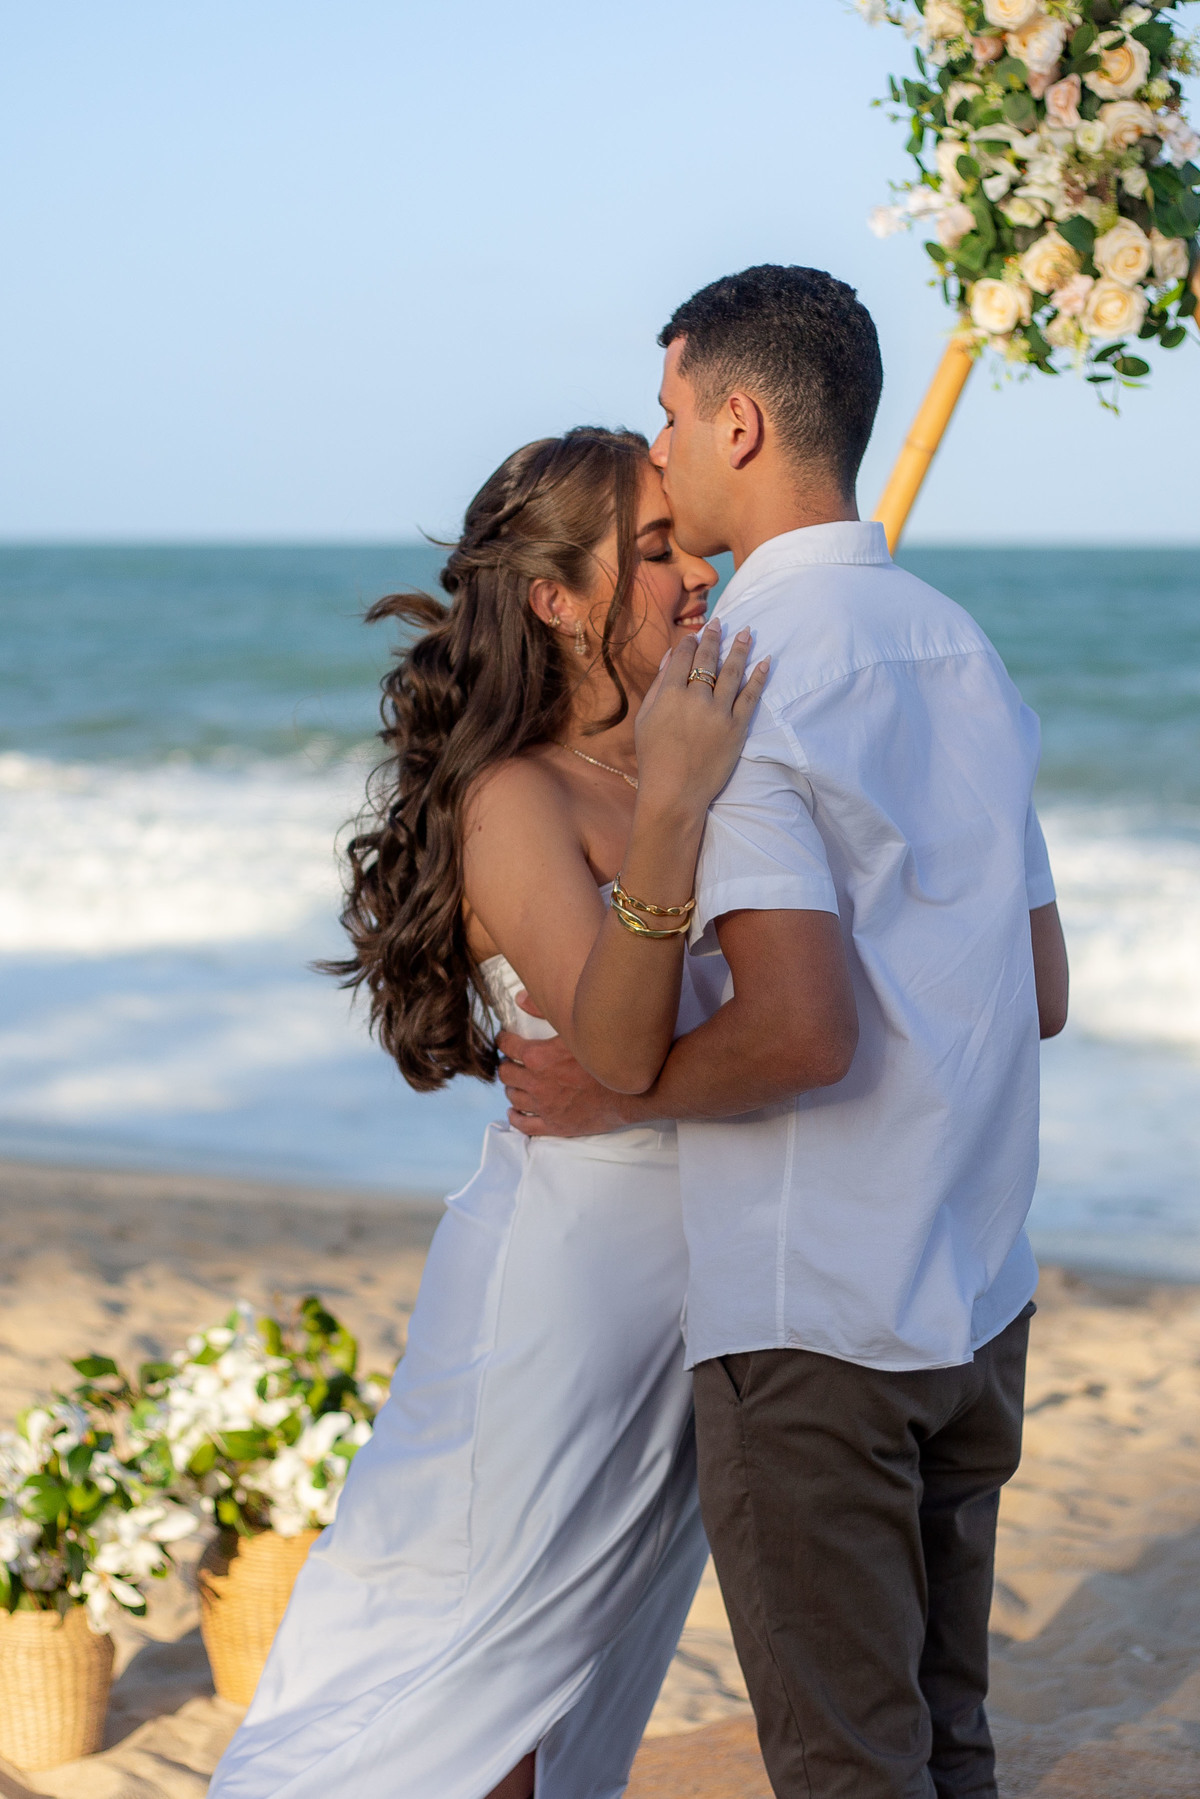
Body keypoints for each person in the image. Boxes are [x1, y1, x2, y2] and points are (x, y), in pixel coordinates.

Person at [500, 266, 1070, 1799]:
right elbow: (1047, 989)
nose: (661, 447)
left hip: (822, 1317)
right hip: (977, 1291)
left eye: (672, 414)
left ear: (739, 422)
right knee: (950, 1743)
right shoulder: (960, 646)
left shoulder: (739, 670)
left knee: (847, 1769)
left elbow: (801, 1031)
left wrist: (626, 1095)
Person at [206, 425, 769, 1799]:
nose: (698, 573)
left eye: (693, 541)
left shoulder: (683, 751)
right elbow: (623, 1047)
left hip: (691, 1282)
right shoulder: (518, 798)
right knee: (479, 1663)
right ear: (555, 600)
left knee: (591, 1653)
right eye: (653, 551)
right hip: (563, 1294)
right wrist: (681, 805)